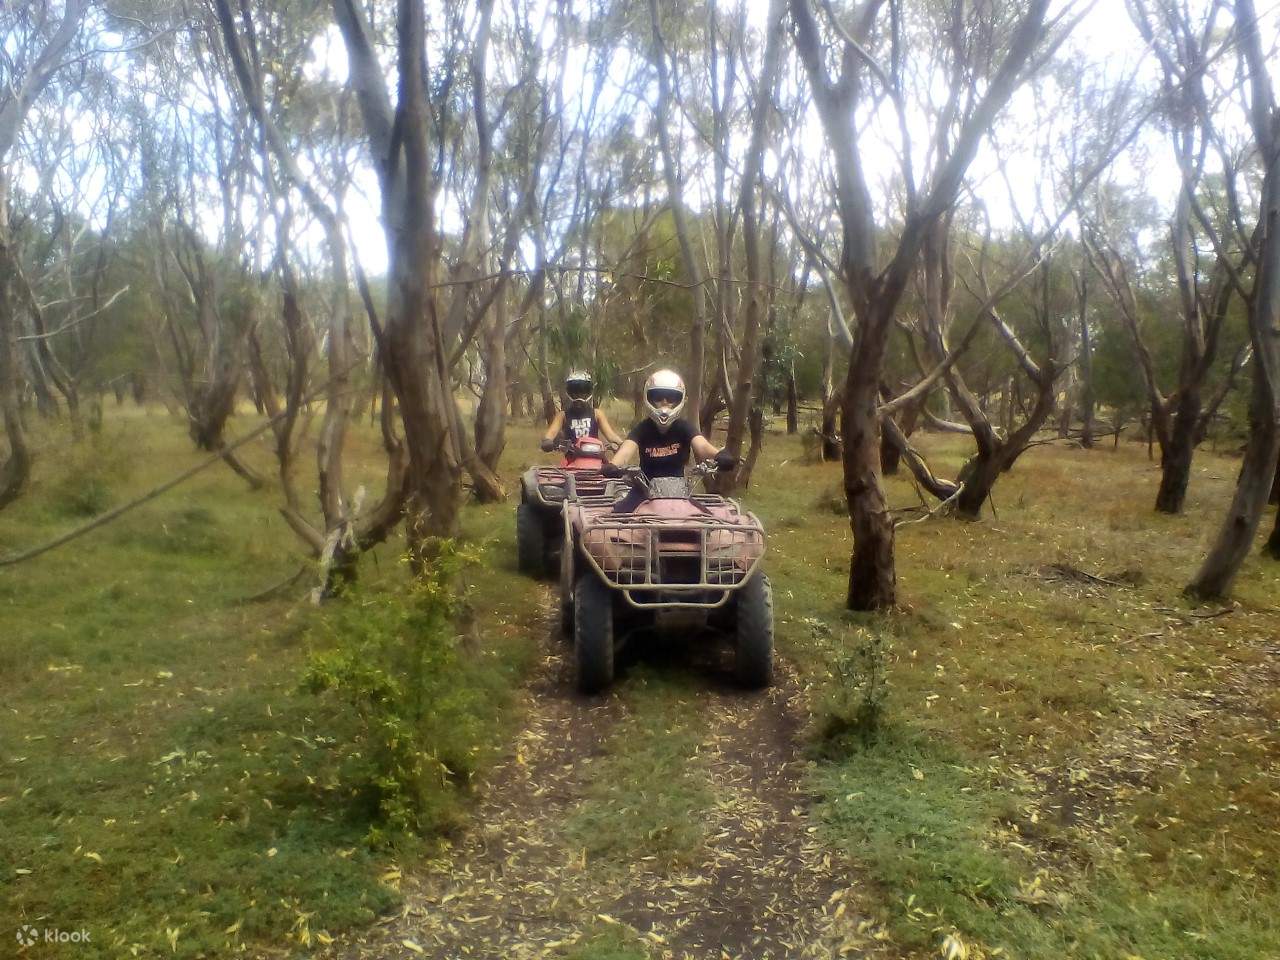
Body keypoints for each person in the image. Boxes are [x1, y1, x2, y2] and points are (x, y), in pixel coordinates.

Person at [603, 369, 737, 510]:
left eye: (671, 398)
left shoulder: (683, 427)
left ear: (679, 399)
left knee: (706, 523)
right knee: (617, 521)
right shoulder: (643, 428)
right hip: (643, 491)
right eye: (658, 397)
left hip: (678, 494)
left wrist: (719, 455)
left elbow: (702, 446)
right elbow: (626, 450)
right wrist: (613, 465)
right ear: (648, 398)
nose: (664, 402)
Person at [540, 370, 623, 452]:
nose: (579, 395)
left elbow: (611, 435)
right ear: (569, 393)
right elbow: (551, 433)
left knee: (610, 465)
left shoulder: (597, 414)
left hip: (595, 457)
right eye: (575, 392)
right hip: (571, 459)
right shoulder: (562, 416)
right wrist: (548, 442)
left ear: (588, 393)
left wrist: (622, 444)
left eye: (583, 392)